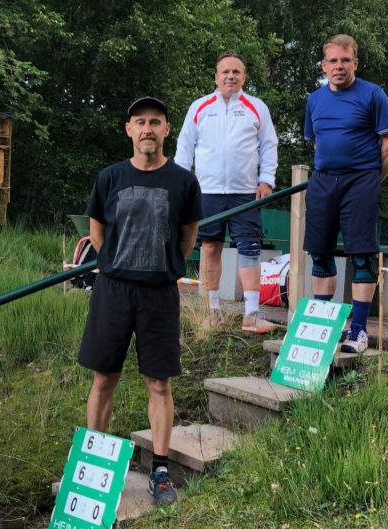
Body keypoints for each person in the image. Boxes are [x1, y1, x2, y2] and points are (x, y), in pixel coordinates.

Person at [78, 97, 202, 505]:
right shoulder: (109, 177)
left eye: (156, 122)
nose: (148, 129)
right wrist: (118, 264)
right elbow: (97, 233)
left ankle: (161, 471)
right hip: (113, 290)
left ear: (168, 130)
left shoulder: (184, 182)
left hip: (159, 293)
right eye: (140, 122)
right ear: (128, 129)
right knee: (103, 378)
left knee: (159, 383)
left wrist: (160, 266)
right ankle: (94, 464)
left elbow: (187, 238)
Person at [303, 34, 388, 353]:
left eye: (345, 60)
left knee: (361, 257)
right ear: (324, 65)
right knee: (320, 255)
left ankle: (358, 331)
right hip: (322, 182)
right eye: (332, 60)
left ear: (355, 62)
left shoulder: (373, 95)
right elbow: (317, 141)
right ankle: (321, 325)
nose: (339, 66)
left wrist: (372, 180)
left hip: (361, 182)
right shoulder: (314, 99)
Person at [175, 50, 279, 332]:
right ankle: (213, 312)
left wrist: (266, 180)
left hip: (245, 192)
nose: (230, 76)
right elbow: (184, 148)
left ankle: (252, 314)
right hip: (205, 191)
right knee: (209, 248)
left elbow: (269, 144)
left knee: (249, 247)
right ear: (216, 76)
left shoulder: (256, 106)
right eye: (225, 71)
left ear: (244, 77)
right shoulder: (200, 106)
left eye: (236, 72)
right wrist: (181, 185)